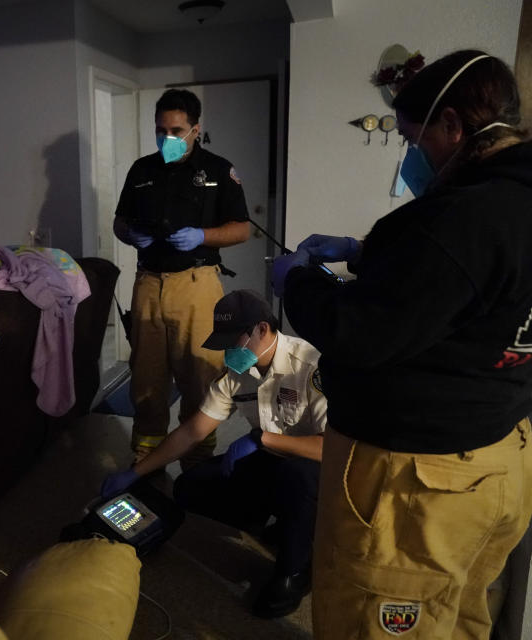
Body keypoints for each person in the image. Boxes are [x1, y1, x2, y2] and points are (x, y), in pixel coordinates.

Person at [272, 50, 532, 639]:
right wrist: (371, 254)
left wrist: (298, 283)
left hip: (422, 480)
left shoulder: (467, 214)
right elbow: (479, 286)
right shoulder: (515, 202)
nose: (416, 157)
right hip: (502, 457)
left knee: (377, 620)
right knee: (459, 613)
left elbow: (359, 333)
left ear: (454, 126)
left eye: (416, 141)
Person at [101, 289, 326, 618]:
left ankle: (295, 571)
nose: (229, 352)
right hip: (270, 458)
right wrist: (136, 472)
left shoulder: (309, 365)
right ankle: (274, 518)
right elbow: (194, 431)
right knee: (191, 487)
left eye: (234, 341)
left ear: (262, 329)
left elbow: (333, 447)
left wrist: (263, 439)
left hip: (314, 466)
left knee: (298, 478)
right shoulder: (238, 373)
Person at [113, 88, 251, 466]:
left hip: (197, 283)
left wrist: (202, 236)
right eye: (160, 130)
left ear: (196, 129)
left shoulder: (219, 170)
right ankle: (147, 454)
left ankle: (198, 455)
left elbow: (242, 229)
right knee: (146, 376)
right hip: (149, 283)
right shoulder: (142, 170)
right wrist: (129, 234)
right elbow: (120, 222)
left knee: (200, 374)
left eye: (176, 131)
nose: (167, 139)